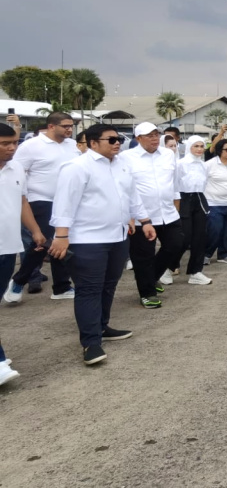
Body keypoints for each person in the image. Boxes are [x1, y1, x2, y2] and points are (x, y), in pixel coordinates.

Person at [49, 124, 157, 365]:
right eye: (111, 140)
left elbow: (132, 196)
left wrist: (145, 220)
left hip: (117, 237)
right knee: (89, 289)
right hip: (87, 241)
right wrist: (61, 235)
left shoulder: (121, 165)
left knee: (109, 285)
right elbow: (64, 203)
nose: (117, 143)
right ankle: (90, 342)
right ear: (92, 143)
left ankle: (102, 327)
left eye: (118, 139)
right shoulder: (76, 167)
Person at [3, 112, 78, 304]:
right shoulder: (31, 146)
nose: (70, 129)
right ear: (51, 126)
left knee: (61, 242)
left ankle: (61, 287)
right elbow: (13, 169)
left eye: (71, 126)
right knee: (44, 243)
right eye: (65, 126)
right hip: (40, 200)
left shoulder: (72, 145)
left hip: (67, 202)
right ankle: (19, 281)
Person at [0, 123, 48, 384]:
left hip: (8, 248)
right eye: (5, 143)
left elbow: (22, 202)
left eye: (14, 142)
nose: (11, 148)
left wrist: (36, 231)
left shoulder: (16, 167)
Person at [122, 122, 185, 309]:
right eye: (149, 136)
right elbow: (124, 187)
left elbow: (174, 183)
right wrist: (129, 216)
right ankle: (147, 293)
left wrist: (176, 205)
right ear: (138, 138)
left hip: (168, 212)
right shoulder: (126, 157)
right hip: (142, 216)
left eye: (156, 135)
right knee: (143, 256)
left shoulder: (168, 154)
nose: (154, 139)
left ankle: (151, 278)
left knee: (176, 245)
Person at [174, 136, 213, 285]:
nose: (199, 149)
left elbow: (204, 184)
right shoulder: (180, 164)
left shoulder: (203, 165)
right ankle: (168, 266)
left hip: (199, 199)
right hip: (183, 199)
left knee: (200, 238)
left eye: (201, 146)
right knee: (184, 238)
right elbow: (175, 184)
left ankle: (196, 271)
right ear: (189, 147)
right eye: (196, 146)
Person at [204, 139, 227, 265]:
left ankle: (223, 254)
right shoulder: (209, 165)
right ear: (220, 150)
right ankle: (206, 255)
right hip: (214, 204)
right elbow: (202, 183)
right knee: (215, 231)